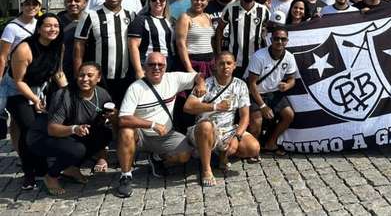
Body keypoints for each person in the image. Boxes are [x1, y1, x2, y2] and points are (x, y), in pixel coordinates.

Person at [114, 52, 205, 197]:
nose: (156, 68)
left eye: (160, 65)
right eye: (151, 64)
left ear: (165, 67)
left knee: (186, 155)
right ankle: (126, 177)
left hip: (165, 135)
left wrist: (200, 83)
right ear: (144, 67)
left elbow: (198, 75)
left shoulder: (173, 78)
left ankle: (156, 158)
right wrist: (152, 124)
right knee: (126, 131)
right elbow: (123, 119)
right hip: (141, 135)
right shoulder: (135, 88)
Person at [27, 62, 114, 195]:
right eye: (81, 75)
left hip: (70, 135)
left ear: (99, 78)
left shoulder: (102, 94)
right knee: (77, 149)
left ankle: (70, 167)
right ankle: (51, 176)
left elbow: (105, 123)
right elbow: (52, 128)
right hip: (42, 136)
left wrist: (114, 115)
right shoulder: (64, 95)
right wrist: (74, 129)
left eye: (90, 75)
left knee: (106, 133)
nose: (85, 79)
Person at [2, 13, 63, 190]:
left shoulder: (58, 45)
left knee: (45, 127)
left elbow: (57, 72)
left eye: (56, 26)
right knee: (29, 129)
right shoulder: (24, 49)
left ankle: (42, 167)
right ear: (39, 28)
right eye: (48, 26)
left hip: (40, 89)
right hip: (17, 91)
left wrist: (67, 92)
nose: (53, 29)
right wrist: (35, 99)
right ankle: (30, 173)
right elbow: (18, 81)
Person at [183, 51, 260, 186]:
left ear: (235, 65)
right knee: (206, 126)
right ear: (215, 66)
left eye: (229, 63)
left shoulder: (240, 85)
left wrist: (237, 137)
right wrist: (215, 107)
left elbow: (245, 116)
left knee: (253, 148)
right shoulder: (205, 84)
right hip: (204, 130)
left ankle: (222, 155)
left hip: (227, 130)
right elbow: (188, 107)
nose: (225, 67)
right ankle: (206, 169)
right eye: (221, 63)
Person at [74, 0, 136, 105]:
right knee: (99, 113)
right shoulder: (90, 15)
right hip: (99, 78)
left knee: (120, 112)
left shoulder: (131, 15)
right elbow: (79, 45)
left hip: (124, 77)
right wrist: (77, 74)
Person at [246, 26, 297, 155]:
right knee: (256, 122)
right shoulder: (259, 56)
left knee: (289, 115)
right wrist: (263, 106)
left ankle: (270, 143)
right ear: (271, 39)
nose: (279, 42)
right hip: (255, 93)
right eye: (276, 38)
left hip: (274, 93)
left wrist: (287, 86)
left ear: (287, 41)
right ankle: (254, 150)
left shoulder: (289, 57)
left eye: (283, 39)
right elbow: (251, 83)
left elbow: (292, 79)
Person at [215, 0, 269, 80]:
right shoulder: (230, 8)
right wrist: (219, 53)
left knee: (255, 90)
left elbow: (269, 30)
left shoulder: (263, 10)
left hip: (257, 59)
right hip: (235, 61)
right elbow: (219, 30)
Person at [128, 0, 175, 79]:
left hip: (168, 65)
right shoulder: (140, 20)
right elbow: (133, 46)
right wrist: (139, 70)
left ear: (166, 2)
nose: (158, 2)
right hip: (149, 65)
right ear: (149, 2)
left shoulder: (170, 20)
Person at [0, 0, 41, 80]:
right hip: (17, 74)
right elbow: (3, 57)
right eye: (27, 4)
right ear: (21, 6)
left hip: (37, 72)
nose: (31, 7)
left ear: (39, 7)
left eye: (34, 4)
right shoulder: (11, 27)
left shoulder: (41, 25)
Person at [176, 0, 215, 76]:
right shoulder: (185, 17)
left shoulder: (208, 16)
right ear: (191, 0)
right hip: (193, 61)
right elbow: (181, 44)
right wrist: (189, 68)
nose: (199, 2)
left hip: (210, 62)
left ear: (207, 1)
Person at [57, 0, 87, 88]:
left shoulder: (91, 20)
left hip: (86, 72)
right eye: (69, 1)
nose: (73, 3)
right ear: (65, 3)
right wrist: (58, 70)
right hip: (63, 71)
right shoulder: (57, 22)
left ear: (84, 3)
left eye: (77, 1)